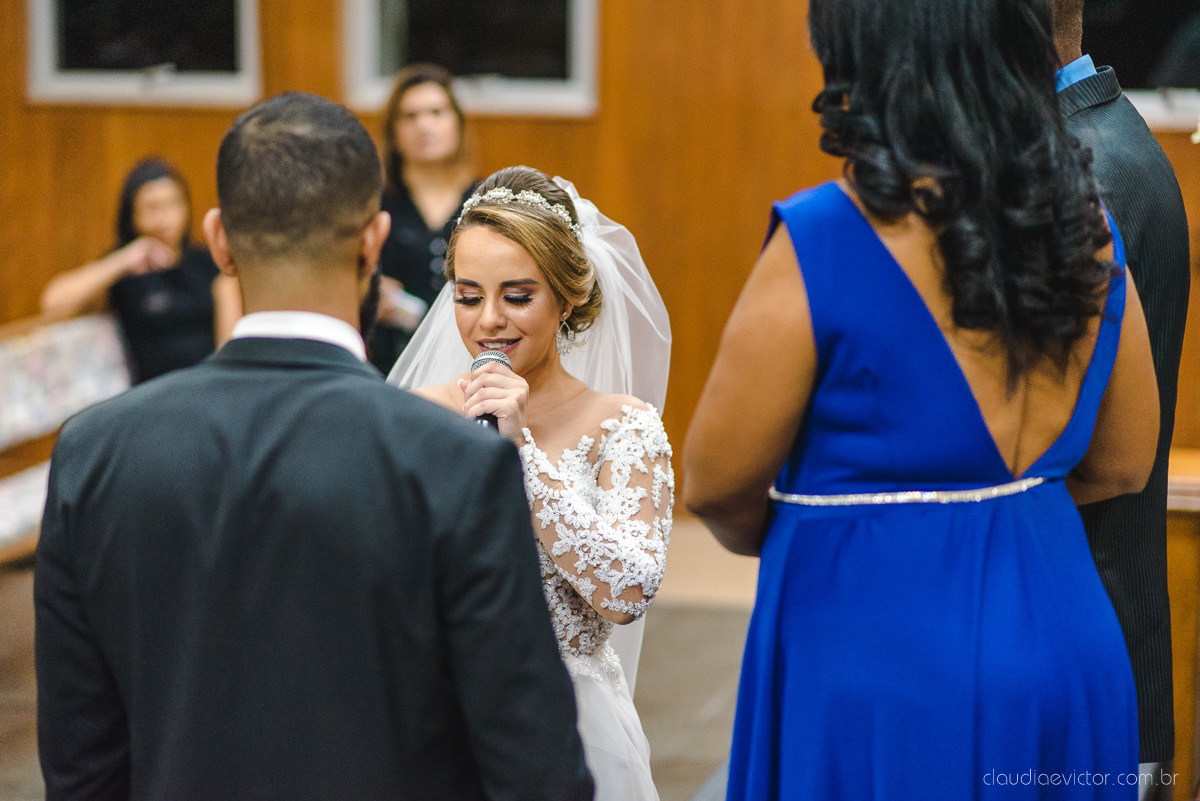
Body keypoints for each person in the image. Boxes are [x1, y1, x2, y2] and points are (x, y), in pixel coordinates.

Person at [35, 93, 593, 801]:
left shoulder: (94, 452)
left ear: (218, 240)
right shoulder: (455, 461)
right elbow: (534, 770)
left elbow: (81, 765)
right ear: (373, 240)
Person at [684, 0, 1160, 797]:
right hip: (1063, 634)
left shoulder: (827, 233)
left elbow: (715, 484)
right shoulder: (1089, 224)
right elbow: (1122, 462)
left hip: (882, 653)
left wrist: (856, 524)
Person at [389, 165, 673, 801]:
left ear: (567, 297)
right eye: (468, 296)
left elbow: (626, 592)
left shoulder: (623, 425)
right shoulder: (413, 416)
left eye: (517, 297)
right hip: (440, 725)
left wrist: (520, 452)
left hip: (575, 727)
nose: (488, 321)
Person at [1053, 1, 1192, 795]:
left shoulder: (1084, 174)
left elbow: (1082, 454)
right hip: (1114, 621)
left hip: (1094, 640)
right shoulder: (1107, 132)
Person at [40, 159, 236, 383]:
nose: (166, 218)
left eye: (174, 204)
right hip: (146, 394)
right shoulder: (122, 273)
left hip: (203, 386)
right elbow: (52, 304)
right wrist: (123, 260)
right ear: (132, 215)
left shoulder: (209, 263)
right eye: (152, 208)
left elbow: (227, 345)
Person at [369, 63, 479, 374]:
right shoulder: (372, 205)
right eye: (410, 116)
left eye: (436, 112)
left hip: (470, 368)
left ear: (457, 122)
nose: (424, 126)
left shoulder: (489, 202)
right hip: (391, 368)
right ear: (394, 130)